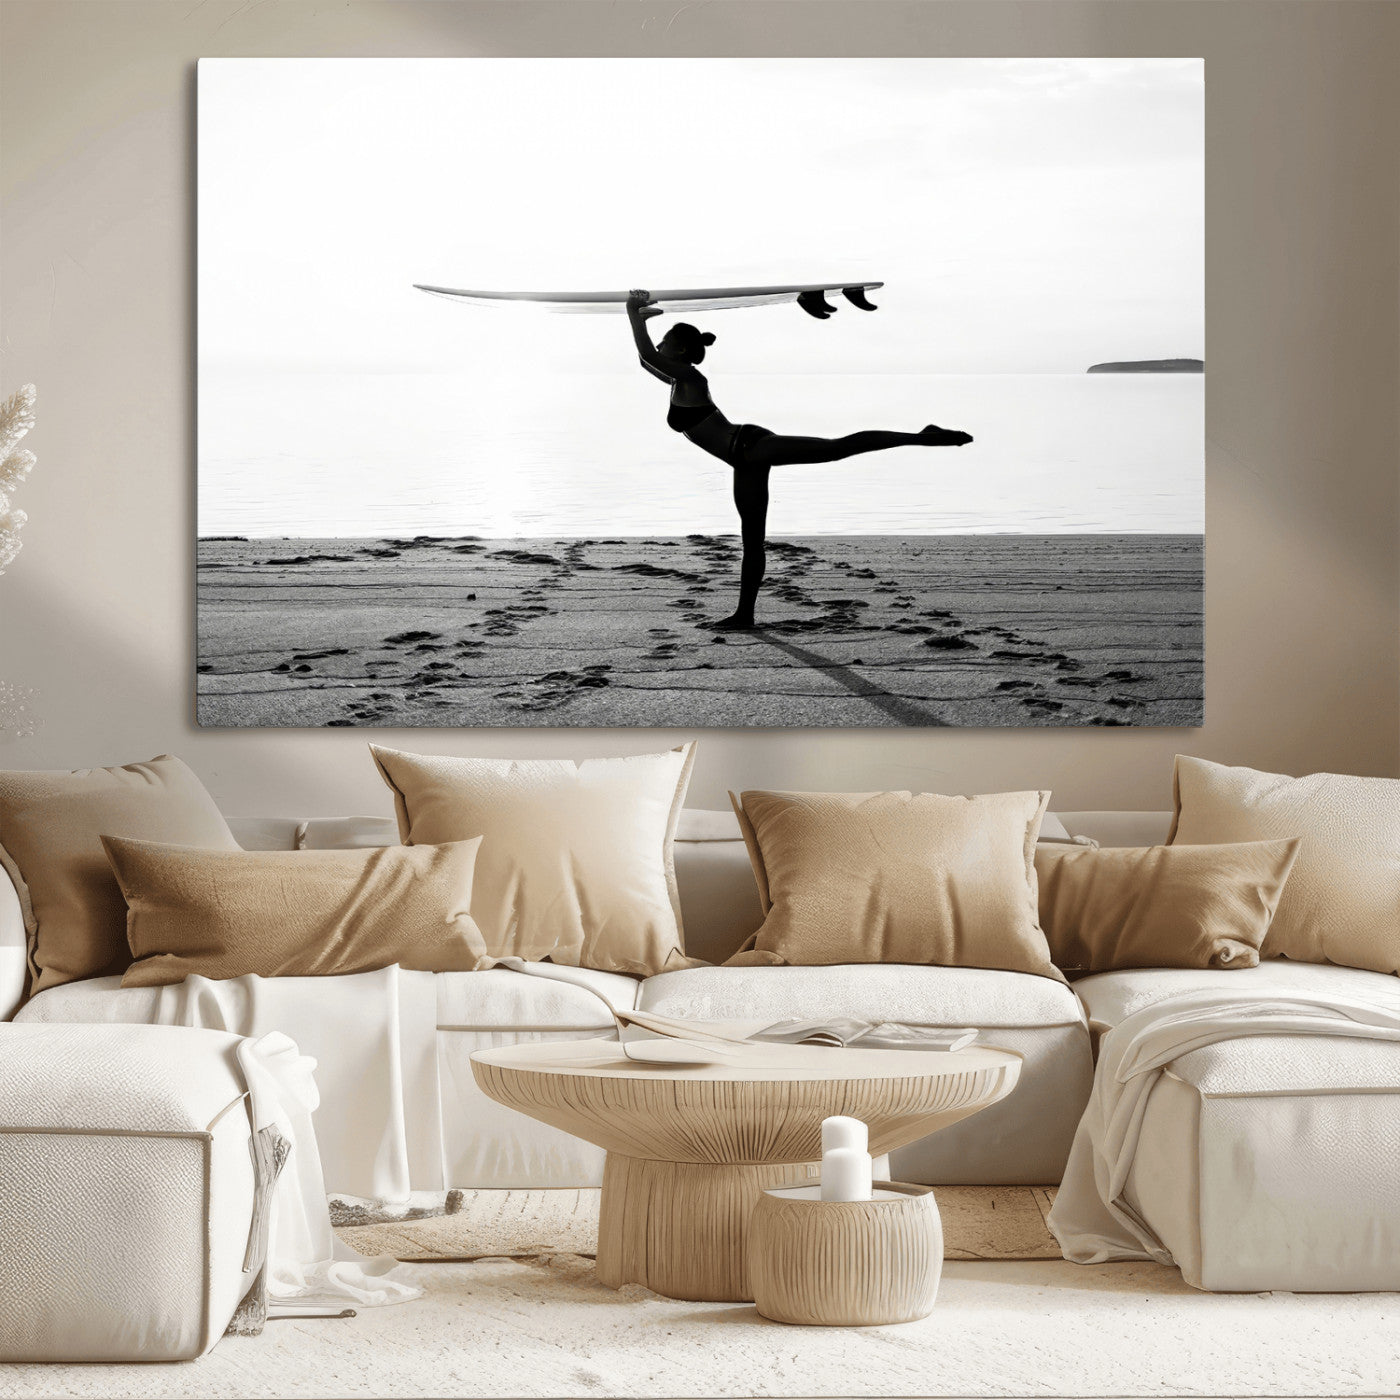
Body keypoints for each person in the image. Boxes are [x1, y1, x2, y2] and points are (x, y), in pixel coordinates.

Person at [625, 289, 972, 630]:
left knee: (836, 448)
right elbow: (645, 359)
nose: (659, 345)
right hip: (742, 462)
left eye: (665, 340)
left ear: (681, 349)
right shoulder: (677, 379)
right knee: (752, 540)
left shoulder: (691, 378)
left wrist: (632, 312)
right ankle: (745, 615)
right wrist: (641, 319)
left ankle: (923, 436)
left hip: (751, 447)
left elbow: (646, 353)